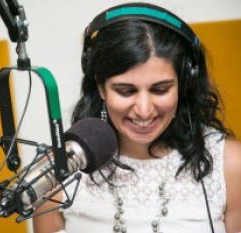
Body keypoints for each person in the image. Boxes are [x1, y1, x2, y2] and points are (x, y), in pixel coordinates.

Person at [32, 2, 241, 233]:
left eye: (160, 90)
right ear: (100, 88)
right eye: (125, 91)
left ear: (184, 84)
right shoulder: (58, 169)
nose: (143, 110)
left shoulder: (231, 165)